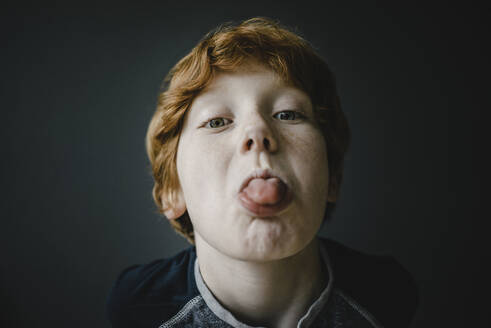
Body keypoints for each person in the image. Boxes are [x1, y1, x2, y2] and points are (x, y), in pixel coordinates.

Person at [106, 17, 418, 328]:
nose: (258, 132)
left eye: (287, 114)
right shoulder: (137, 308)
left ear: (331, 178)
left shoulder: (387, 297)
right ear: (173, 189)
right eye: (217, 121)